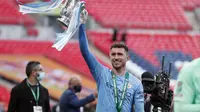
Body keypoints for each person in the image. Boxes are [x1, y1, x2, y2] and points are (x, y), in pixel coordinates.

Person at [78, 23, 144, 112]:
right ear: (110, 56)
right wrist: (82, 25)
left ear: (127, 58)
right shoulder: (101, 73)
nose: (116, 57)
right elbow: (85, 51)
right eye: (113, 54)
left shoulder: (136, 84)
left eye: (120, 54)